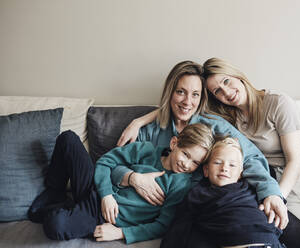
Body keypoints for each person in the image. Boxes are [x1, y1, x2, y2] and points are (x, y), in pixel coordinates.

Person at [116, 60, 288, 230]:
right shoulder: (150, 131)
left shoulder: (214, 125)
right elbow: (114, 164)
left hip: (205, 206)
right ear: (170, 92)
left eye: (195, 94)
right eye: (181, 92)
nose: (187, 102)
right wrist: (132, 177)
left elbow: (251, 157)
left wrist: (271, 192)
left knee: (299, 237)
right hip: (141, 211)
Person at [202, 57, 300, 248]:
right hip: (279, 185)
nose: (226, 92)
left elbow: (295, 160)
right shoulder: (229, 121)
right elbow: (194, 112)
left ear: (238, 76)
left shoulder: (277, 103)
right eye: (217, 91)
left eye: (226, 81)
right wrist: (160, 112)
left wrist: (277, 196)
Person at [28, 123, 214, 244]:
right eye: (185, 154)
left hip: (101, 216)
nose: (186, 164)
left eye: (195, 163)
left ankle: (70, 208)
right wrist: (107, 194)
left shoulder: (181, 185)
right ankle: (56, 190)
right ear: (174, 143)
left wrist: (121, 233)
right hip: (94, 188)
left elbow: (162, 225)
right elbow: (105, 162)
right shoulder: (146, 149)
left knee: (55, 225)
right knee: (68, 138)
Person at [161, 137, 285, 248]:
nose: (224, 168)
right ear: (206, 170)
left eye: (232, 165)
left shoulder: (251, 188)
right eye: (217, 162)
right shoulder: (198, 193)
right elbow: (179, 226)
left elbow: (272, 209)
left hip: (269, 241)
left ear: (240, 173)